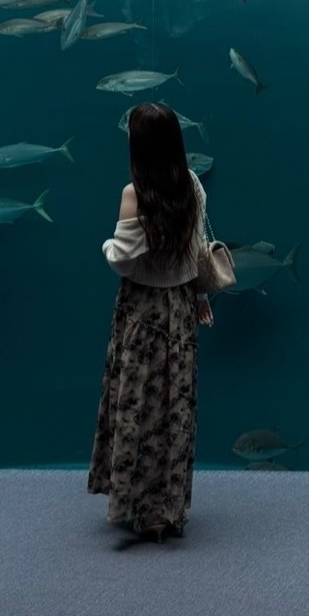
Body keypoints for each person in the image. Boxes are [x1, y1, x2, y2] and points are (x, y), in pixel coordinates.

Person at [87, 101, 214, 543]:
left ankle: (136, 504)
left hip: (142, 312)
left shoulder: (134, 193)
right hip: (179, 308)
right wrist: (200, 296)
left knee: (138, 405)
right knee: (174, 408)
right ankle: (166, 508)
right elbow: (197, 248)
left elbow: (122, 261)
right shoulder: (192, 185)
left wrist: (105, 246)